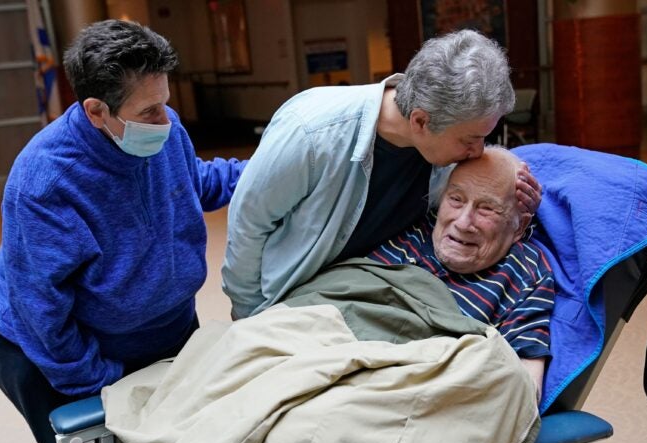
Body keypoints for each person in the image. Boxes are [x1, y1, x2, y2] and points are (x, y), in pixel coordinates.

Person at [98, 146, 553, 443]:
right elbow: (335, 288)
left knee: (327, 418)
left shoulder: (527, 269)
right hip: (326, 321)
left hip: (401, 365)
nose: (463, 220)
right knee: (232, 349)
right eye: (457, 199)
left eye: (488, 209)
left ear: (518, 226)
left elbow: (520, 384)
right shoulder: (408, 228)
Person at [0, 20, 246, 443]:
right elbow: (44, 317)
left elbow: (195, 182)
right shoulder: (45, 183)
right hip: (46, 344)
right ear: (96, 111)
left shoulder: (161, 128)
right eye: (148, 110)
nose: (165, 120)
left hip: (158, 326)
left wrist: (264, 169)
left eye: (165, 101)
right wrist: (107, 382)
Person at [222, 29, 543, 320]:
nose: (477, 151)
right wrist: (250, 314)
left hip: (366, 296)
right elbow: (248, 226)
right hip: (292, 300)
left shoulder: (442, 143)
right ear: (420, 122)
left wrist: (518, 199)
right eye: (470, 139)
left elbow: (477, 204)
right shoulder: (310, 132)